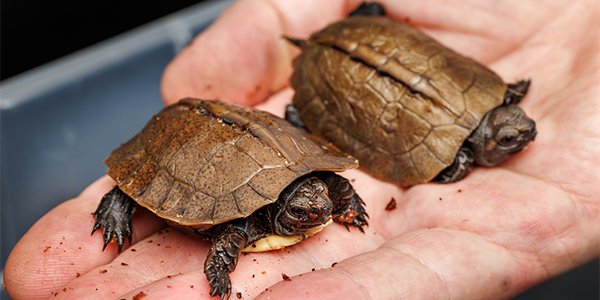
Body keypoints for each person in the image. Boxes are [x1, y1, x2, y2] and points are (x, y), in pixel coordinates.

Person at [4, 0, 599, 299]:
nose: (315, 213)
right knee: (124, 199)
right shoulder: (247, 224)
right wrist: (219, 272)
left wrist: (341, 198)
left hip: (276, 142)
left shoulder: (318, 191)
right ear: (283, 216)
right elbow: (230, 238)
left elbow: (332, 185)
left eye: (314, 207)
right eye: (306, 212)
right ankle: (117, 200)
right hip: (195, 142)